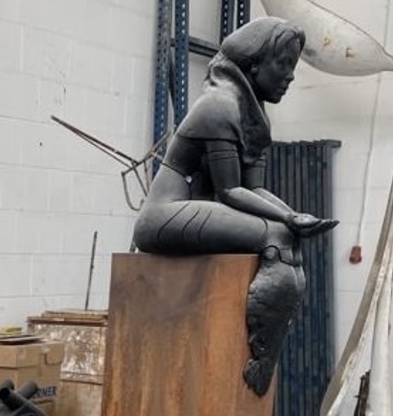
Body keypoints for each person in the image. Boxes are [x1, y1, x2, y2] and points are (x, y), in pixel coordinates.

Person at [132, 16, 337, 395]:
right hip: (164, 215)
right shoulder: (219, 105)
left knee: (286, 234)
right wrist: (287, 218)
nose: (290, 76)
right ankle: (260, 355)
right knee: (276, 237)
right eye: (284, 65)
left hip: (198, 208)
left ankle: (264, 352)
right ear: (254, 64)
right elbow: (230, 193)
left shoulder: (253, 116)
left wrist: (293, 216)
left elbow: (253, 190)